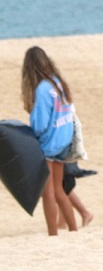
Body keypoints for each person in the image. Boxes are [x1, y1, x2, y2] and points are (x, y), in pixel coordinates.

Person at [21, 46, 78, 236]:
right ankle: (73, 229)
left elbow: (40, 124)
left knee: (48, 193)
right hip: (64, 141)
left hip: (50, 144)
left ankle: (53, 234)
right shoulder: (57, 82)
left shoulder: (42, 89)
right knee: (59, 189)